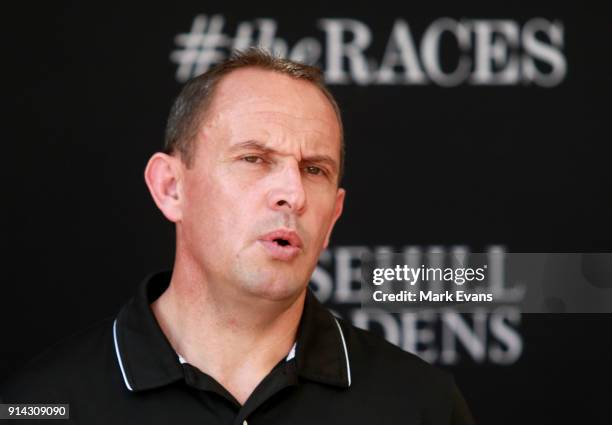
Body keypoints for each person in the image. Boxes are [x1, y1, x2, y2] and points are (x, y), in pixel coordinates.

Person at [0, 48, 474, 424]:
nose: (293, 193)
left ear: (333, 217)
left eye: (314, 169)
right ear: (171, 188)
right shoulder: (45, 404)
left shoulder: (420, 406)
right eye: (254, 158)